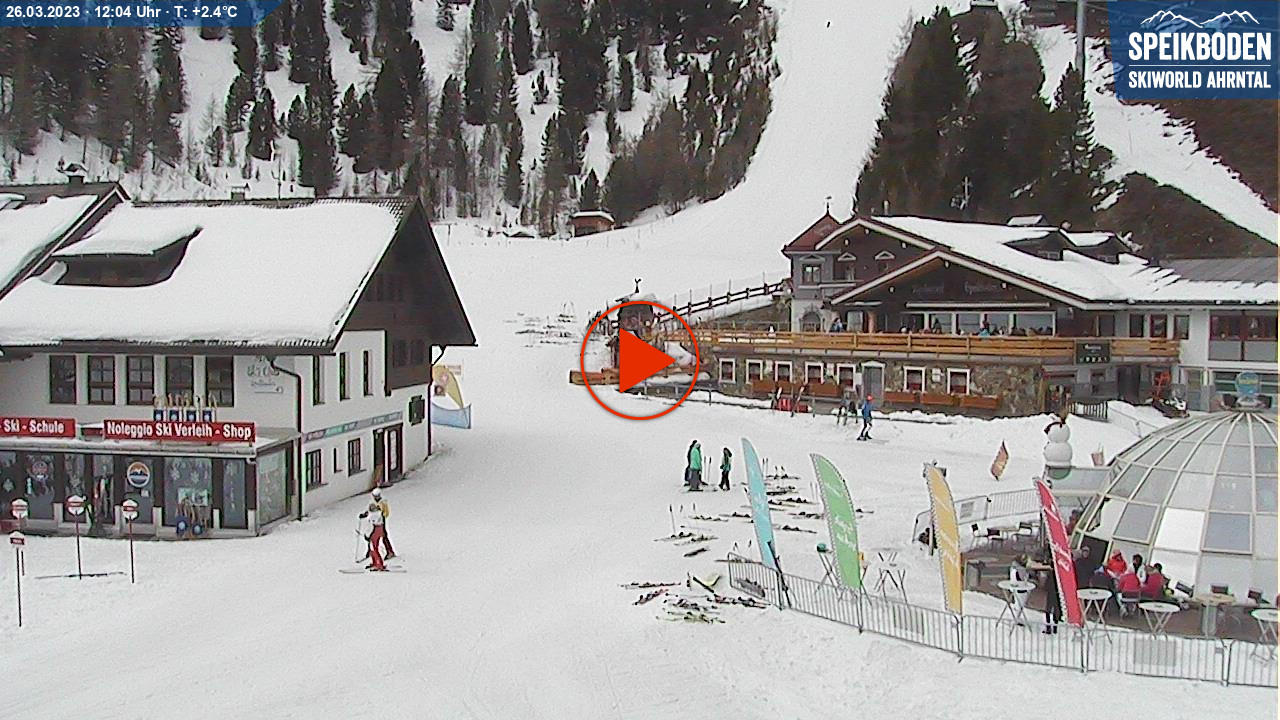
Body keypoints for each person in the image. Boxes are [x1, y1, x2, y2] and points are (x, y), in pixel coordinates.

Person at [358, 502, 388, 571]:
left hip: (374, 532)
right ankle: (375, 562)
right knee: (372, 548)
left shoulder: (373, 516)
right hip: (378, 531)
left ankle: (379, 564)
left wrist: (367, 535)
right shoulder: (378, 513)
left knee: (374, 548)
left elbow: (370, 527)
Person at [372, 488, 395, 560]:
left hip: (381, 521)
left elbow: (386, 512)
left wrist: (382, 514)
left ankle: (390, 552)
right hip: (374, 521)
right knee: (372, 536)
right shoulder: (373, 502)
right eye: (374, 496)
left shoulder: (383, 502)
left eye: (377, 496)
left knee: (384, 536)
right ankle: (371, 551)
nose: (376, 498)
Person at [1010, 555, 1031, 625]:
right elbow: (1023, 579)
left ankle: (1016, 618)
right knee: (1019, 605)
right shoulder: (1019, 570)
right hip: (1021, 589)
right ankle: (1016, 618)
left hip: (1017, 589)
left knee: (1018, 604)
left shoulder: (1014, 568)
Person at [1043, 566, 1062, 634]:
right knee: (1056, 610)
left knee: (1048, 609)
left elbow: (1046, 585)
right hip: (1057, 593)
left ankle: (1048, 627)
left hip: (1051, 593)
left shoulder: (1050, 573)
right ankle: (1055, 628)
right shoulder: (1060, 574)